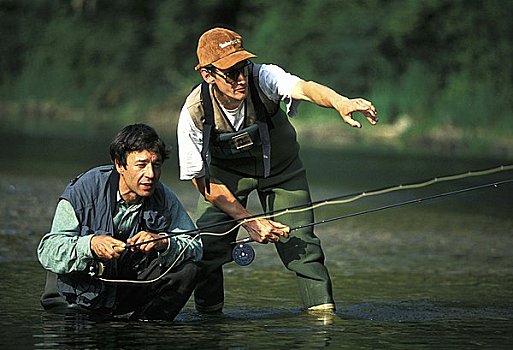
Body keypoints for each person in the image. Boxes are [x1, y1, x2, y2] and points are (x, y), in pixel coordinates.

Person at [177, 27, 378, 315]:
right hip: (223, 181)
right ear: (208, 75)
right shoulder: (194, 112)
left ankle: (323, 321)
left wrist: (339, 102)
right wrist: (249, 221)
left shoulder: (264, 77)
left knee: (302, 245)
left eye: (243, 66)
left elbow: (305, 88)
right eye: (231, 72)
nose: (242, 77)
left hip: (282, 170)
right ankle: (209, 324)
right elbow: (201, 179)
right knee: (207, 249)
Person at [38, 123, 202, 321]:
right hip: (72, 298)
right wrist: (89, 245)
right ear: (119, 165)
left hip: (122, 293)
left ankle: (146, 329)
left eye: (156, 164)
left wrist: (164, 242)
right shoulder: (83, 191)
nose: (151, 174)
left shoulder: (163, 197)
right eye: (141, 165)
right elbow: (48, 251)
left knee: (187, 269)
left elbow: (196, 246)